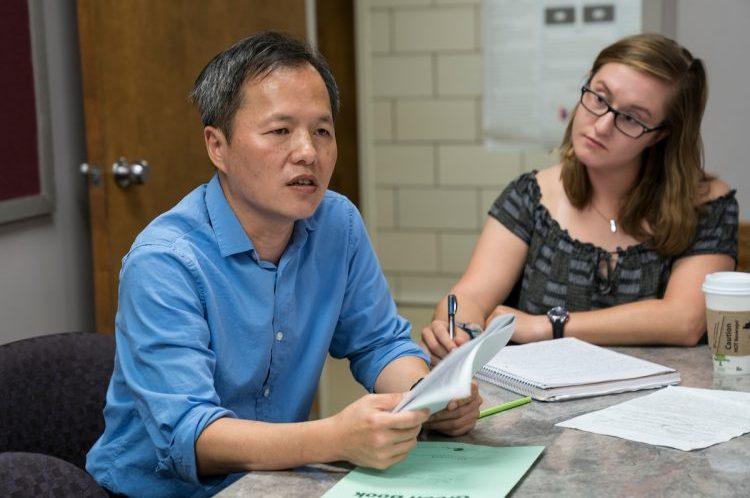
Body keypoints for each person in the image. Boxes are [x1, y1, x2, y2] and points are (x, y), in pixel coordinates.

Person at [86, 31, 481, 497]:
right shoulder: (165, 262)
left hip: (276, 481)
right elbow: (190, 435)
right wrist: (335, 437)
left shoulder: (338, 222)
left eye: (321, 130)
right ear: (218, 146)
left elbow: (379, 345)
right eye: (280, 131)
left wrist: (432, 397)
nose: (308, 153)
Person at [422, 34, 738, 363]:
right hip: (539, 401)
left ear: (660, 134)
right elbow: (472, 295)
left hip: (661, 404)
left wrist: (550, 326)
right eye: (599, 98)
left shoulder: (705, 205)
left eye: (631, 118)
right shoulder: (531, 197)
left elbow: (683, 321)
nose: (601, 126)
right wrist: (455, 328)